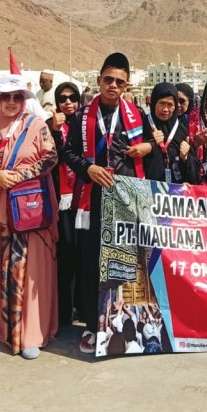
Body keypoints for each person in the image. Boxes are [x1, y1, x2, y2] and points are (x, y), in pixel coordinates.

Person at [60, 52, 151, 354]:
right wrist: (88, 169)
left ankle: (124, 323)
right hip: (93, 199)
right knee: (91, 261)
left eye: (120, 82)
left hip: (126, 197)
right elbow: (68, 153)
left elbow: (154, 146)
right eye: (108, 80)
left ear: (127, 85)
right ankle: (90, 324)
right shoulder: (82, 117)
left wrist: (146, 146)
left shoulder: (138, 114)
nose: (113, 85)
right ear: (99, 80)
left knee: (125, 261)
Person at [0, 74, 59, 359]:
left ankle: (31, 332)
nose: (11, 102)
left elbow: (50, 158)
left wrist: (18, 176)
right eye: (5, 97)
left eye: (17, 97)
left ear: (24, 101)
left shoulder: (37, 127)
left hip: (30, 211)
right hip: (1, 214)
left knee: (32, 269)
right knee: (3, 263)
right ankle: (5, 328)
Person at [48, 80, 83, 326]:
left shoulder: (85, 124)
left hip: (85, 198)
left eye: (72, 98)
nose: (68, 102)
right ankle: (63, 310)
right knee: (66, 254)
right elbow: (51, 158)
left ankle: (81, 306)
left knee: (84, 253)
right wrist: (55, 131)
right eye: (63, 98)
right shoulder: (50, 127)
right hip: (61, 199)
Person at [142, 82, 200, 184]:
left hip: (171, 195)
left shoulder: (182, 130)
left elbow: (194, 176)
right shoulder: (142, 125)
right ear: (154, 102)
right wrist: (149, 143)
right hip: (146, 191)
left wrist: (185, 158)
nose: (165, 109)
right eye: (162, 103)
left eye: (170, 105)